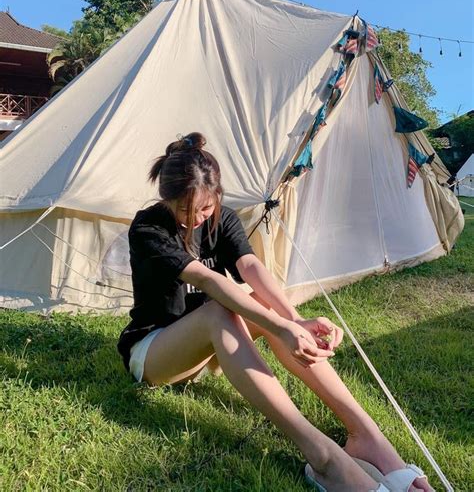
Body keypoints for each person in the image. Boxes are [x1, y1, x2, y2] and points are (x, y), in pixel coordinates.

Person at [117, 132, 432, 492]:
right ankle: (324, 458)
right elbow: (208, 280)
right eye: (184, 210)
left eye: (204, 208)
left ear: (217, 197)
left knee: (259, 303)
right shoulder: (148, 227)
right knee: (222, 309)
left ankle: (367, 437)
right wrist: (282, 328)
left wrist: (294, 321)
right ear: (166, 200)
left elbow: (250, 267)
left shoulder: (223, 218)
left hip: (209, 346)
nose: (195, 219)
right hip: (154, 352)